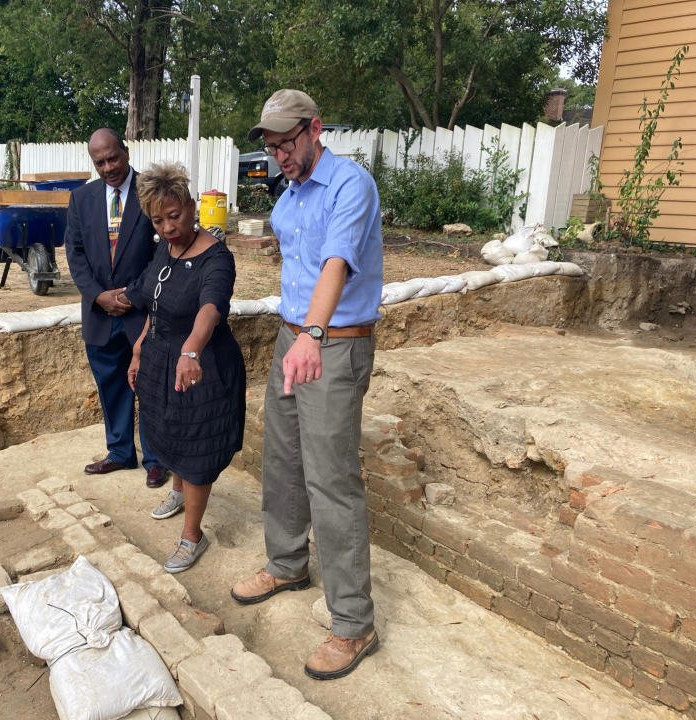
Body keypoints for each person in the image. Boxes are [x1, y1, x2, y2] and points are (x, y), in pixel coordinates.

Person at [230, 90, 384, 680]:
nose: (278, 157)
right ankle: (288, 563)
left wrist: (314, 337)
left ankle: (352, 624)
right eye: (270, 149)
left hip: (334, 346)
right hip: (294, 338)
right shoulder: (288, 197)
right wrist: (296, 337)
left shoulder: (351, 186)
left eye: (285, 144)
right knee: (283, 461)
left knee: (333, 481)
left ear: (315, 128)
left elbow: (336, 266)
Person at [127, 162, 245, 574]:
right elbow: (153, 304)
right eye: (158, 220)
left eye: (174, 216)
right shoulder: (165, 248)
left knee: (196, 447)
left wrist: (191, 351)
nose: (168, 227)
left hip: (202, 366)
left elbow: (210, 309)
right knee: (168, 433)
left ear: (192, 206)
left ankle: (193, 535)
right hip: (162, 360)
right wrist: (140, 349)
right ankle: (177, 491)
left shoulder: (217, 257)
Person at [65, 128, 169, 488]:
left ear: (126, 151)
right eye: (100, 162)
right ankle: (120, 452)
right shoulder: (81, 200)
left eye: (113, 158)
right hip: (99, 315)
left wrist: (132, 295)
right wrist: (98, 296)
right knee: (111, 385)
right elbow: (75, 255)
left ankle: (156, 459)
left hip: (141, 313)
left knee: (150, 385)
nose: (108, 167)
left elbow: (163, 251)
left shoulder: (151, 192)